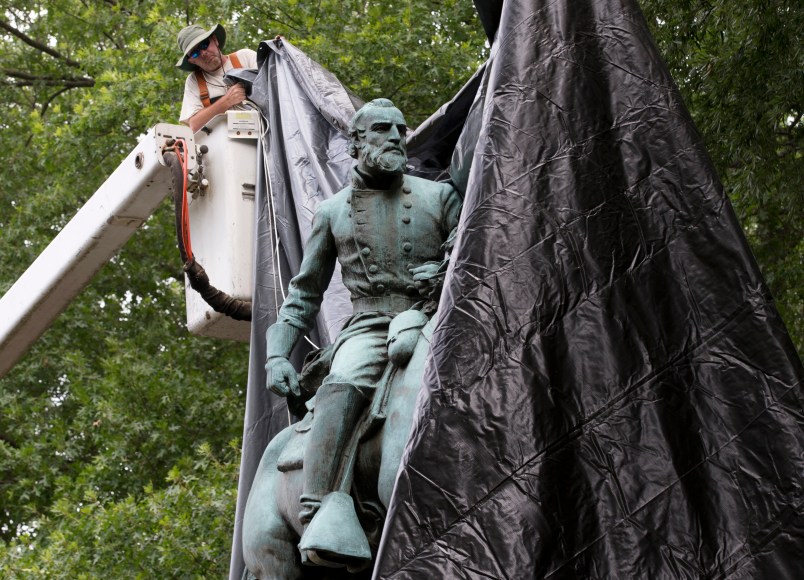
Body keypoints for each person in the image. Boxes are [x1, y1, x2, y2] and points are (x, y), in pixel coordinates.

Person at [264, 98, 462, 562]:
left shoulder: (440, 196)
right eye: (381, 130)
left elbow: (468, 258)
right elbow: (304, 295)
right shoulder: (333, 212)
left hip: (437, 315)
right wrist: (278, 354)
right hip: (371, 327)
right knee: (345, 381)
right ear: (356, 142)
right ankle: (322, 512)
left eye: (400, 128)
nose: (396, 136)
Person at [175, 23, 258, 133]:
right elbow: (194, 125)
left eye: (204, 44)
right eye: (195, 53)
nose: (203, 53)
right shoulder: (194, 81)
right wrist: (226, 101)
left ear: (215, 40)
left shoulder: (245, 57)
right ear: (191, 60)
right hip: (226, 146)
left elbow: (272, 86)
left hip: (264, 136)